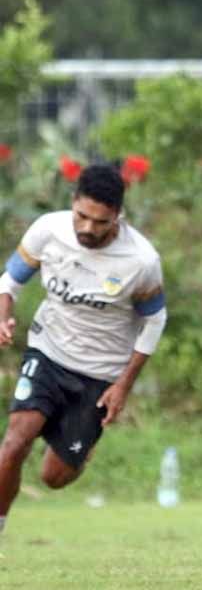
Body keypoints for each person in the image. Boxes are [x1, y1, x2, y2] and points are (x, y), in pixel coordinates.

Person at [0, 163, 167, 535]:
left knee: (53, 477)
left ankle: (81, 446)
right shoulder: (48, 230)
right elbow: (9, 282)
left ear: (118, 217)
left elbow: (154, 321)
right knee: (14, 443)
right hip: (47, 351)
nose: (88, 228)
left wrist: (123, 386)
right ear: (73, 202)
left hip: (99, 373)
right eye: (82, 216)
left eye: (101, 222)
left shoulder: (140, 261)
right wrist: (4, 316)